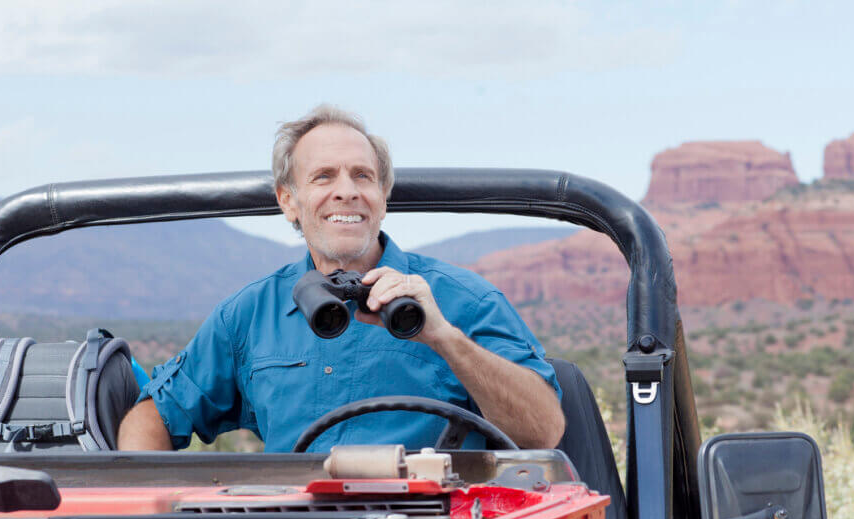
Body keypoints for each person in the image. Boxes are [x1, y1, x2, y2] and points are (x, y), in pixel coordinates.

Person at [117, 106, 564, 452]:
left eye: (363, 176)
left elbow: (543, 431)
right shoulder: (249, 314)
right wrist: (151, 512)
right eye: (324, 176)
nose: (346, 190)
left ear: (383, 197)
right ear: (288, 201)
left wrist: (443, 337)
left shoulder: (465, 300)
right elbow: (151, 418)